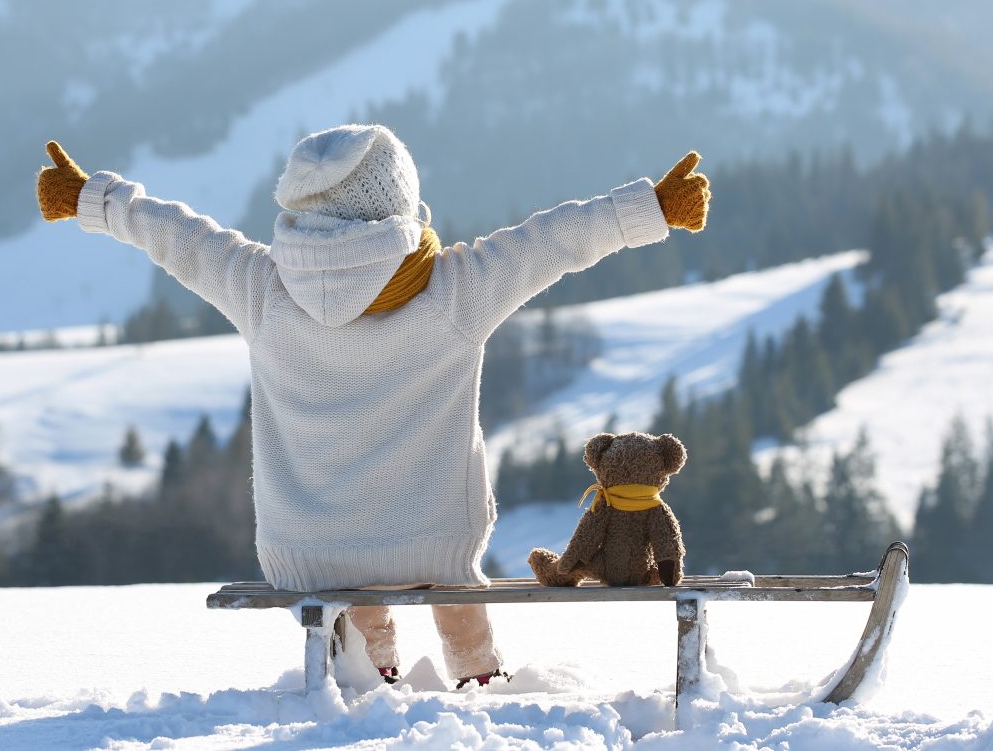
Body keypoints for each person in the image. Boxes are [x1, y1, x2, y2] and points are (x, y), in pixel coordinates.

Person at [35, 124, 710, 686]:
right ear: (400, 204)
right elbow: (555, 240)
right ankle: (477, 677)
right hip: (433, 544)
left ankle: (373, 667)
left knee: (355, 579)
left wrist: (90, 197)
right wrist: (650, 207)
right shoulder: (455, 287)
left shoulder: (260, 286)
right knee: (452, 581)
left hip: (310, 548)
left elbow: (178, 236)